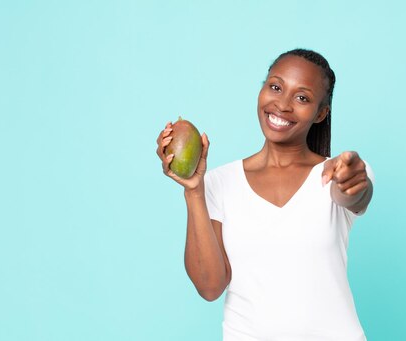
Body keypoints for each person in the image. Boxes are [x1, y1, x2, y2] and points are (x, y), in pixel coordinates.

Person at [156, 48, 374, 341]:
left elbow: (352, 194)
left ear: (321, 113)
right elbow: (210, 287)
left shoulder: (335, 173)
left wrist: (353, 178)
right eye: (275, 87)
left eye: (302, 98)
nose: (283, 104)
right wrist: (194, 190)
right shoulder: (221, 182)